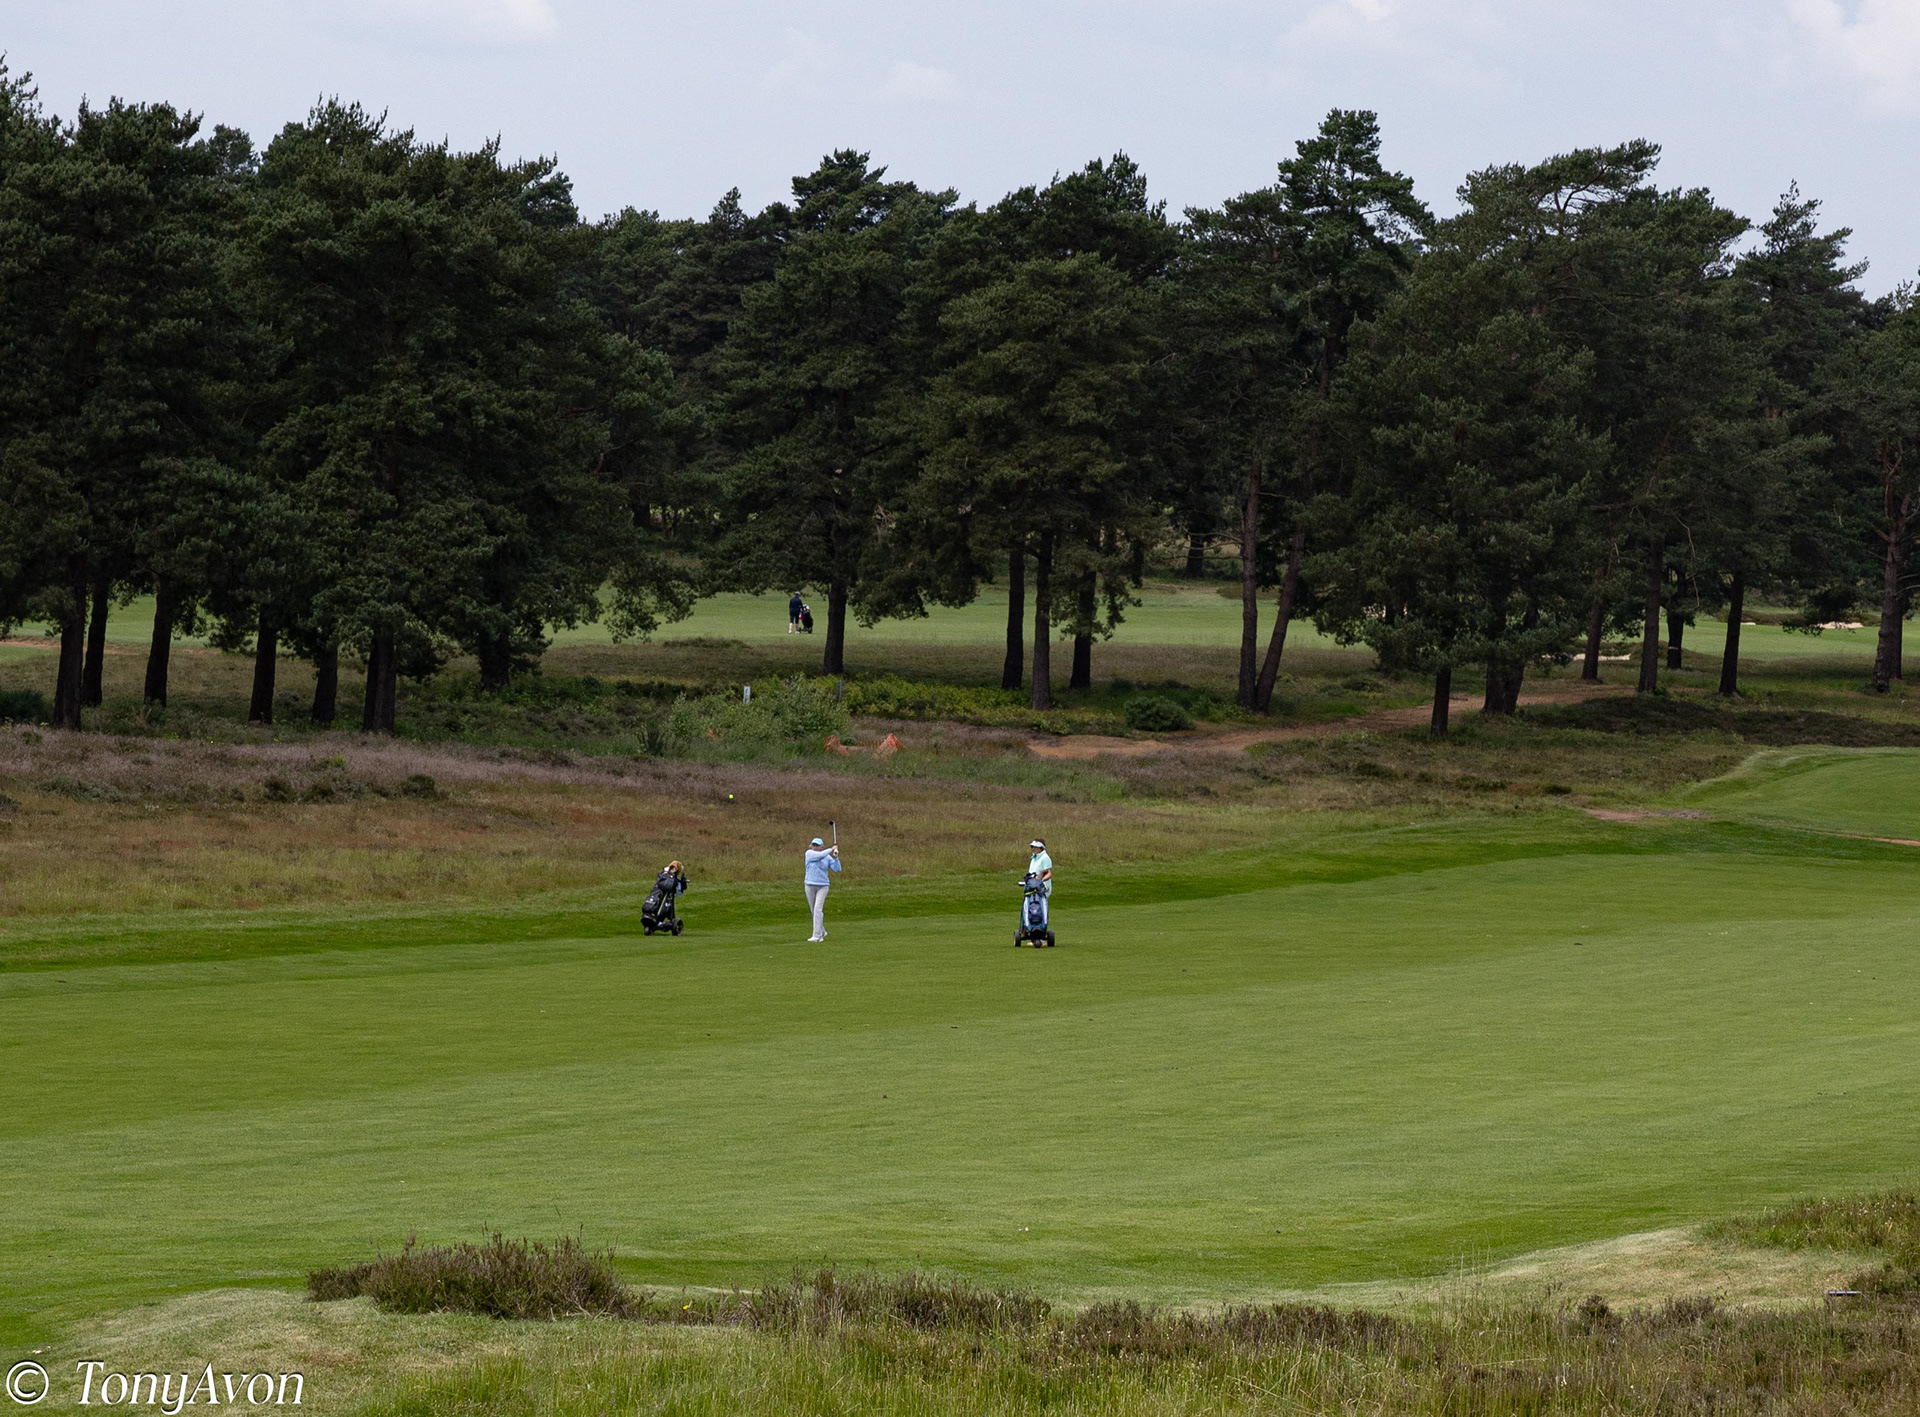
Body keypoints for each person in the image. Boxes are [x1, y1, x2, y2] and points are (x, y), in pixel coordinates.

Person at [804, 835, 841, 941]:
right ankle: (822, 931)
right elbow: (820, 856)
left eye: (817, 845)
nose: (815, 847)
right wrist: (831, 849)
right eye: (814, 845)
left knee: (817, 909)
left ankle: (817, 935)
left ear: (821, 846)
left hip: (823, 886)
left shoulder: (827, 857)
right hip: (809, 885)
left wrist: (836, 857)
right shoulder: (809, 853)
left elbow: (837, 869)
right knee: (813, 910)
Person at [642, 860, 689, 934]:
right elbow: (668, 886)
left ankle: (656, 922)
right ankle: (663, 923)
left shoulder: (663, 874)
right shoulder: (668, 876)